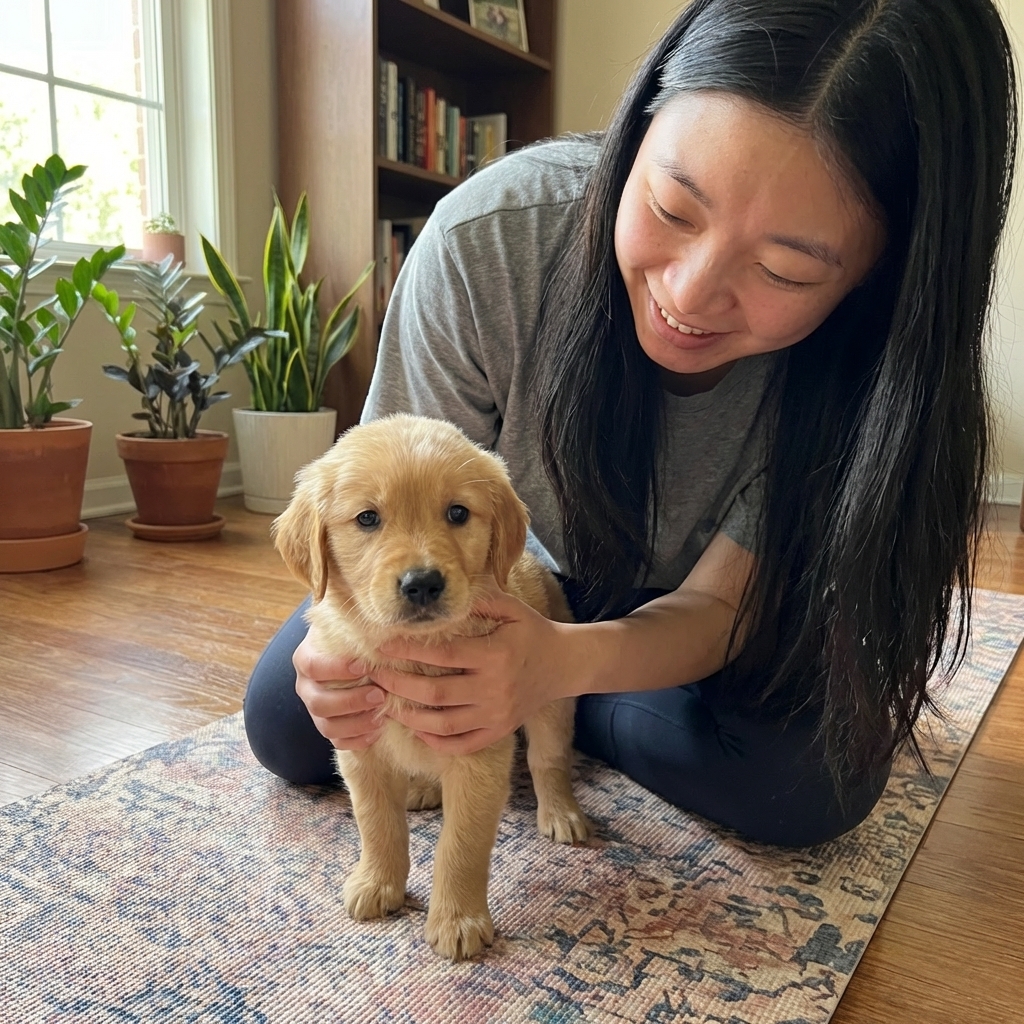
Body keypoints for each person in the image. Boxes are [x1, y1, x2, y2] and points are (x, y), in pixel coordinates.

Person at [244, 0, 1017, 847]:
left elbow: (721, 606)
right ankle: (576, 700)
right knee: (289, 719)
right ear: (638, 127)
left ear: (881, 275)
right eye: (674, 208)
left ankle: (578, 707)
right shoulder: (489, 241)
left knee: (807, 787)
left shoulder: (869, 372)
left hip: (696, 604)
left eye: (784, 269)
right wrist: (362, 658)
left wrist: (557, 666)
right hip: (503, 576)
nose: (688, 296)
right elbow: (386, 510)